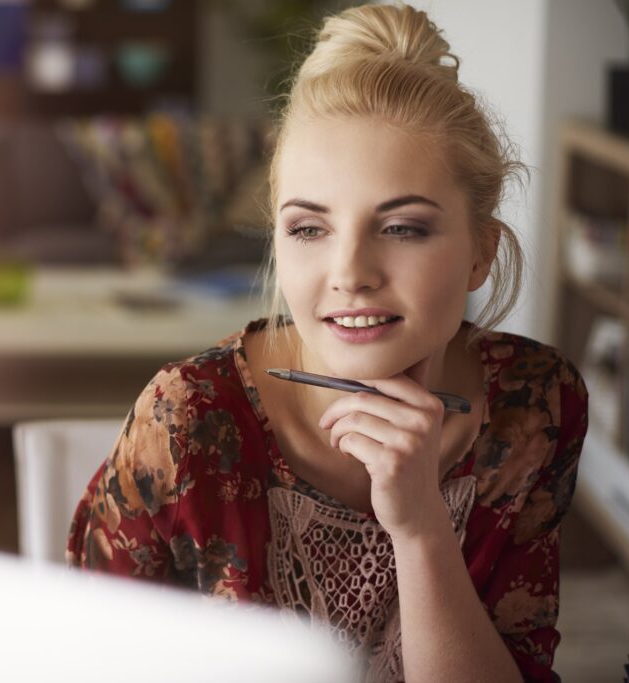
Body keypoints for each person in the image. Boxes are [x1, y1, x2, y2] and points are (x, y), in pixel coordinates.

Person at [66, 3, 588, 683]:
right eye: (310, 229)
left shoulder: (536, 407)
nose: (349, 274)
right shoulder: (187, 420)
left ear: (480, 253)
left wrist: (423, 526)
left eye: (402, 228)